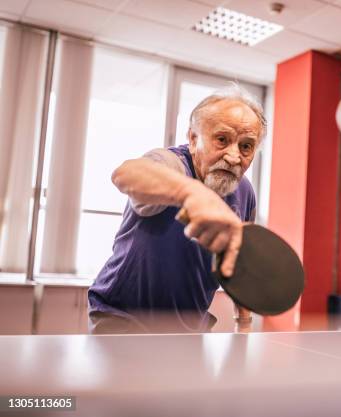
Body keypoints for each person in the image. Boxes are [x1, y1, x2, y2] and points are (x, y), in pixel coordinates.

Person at [87, 84, 265, 333]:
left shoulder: (244, 192)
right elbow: (126, 174)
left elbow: (238, 262)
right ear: (193, 139)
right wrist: (191, 192)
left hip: (191, 328)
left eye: (246, 146)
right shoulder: (171, 163)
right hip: (124, 319)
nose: (234, 156)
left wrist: (243, 323)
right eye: (222, 140)